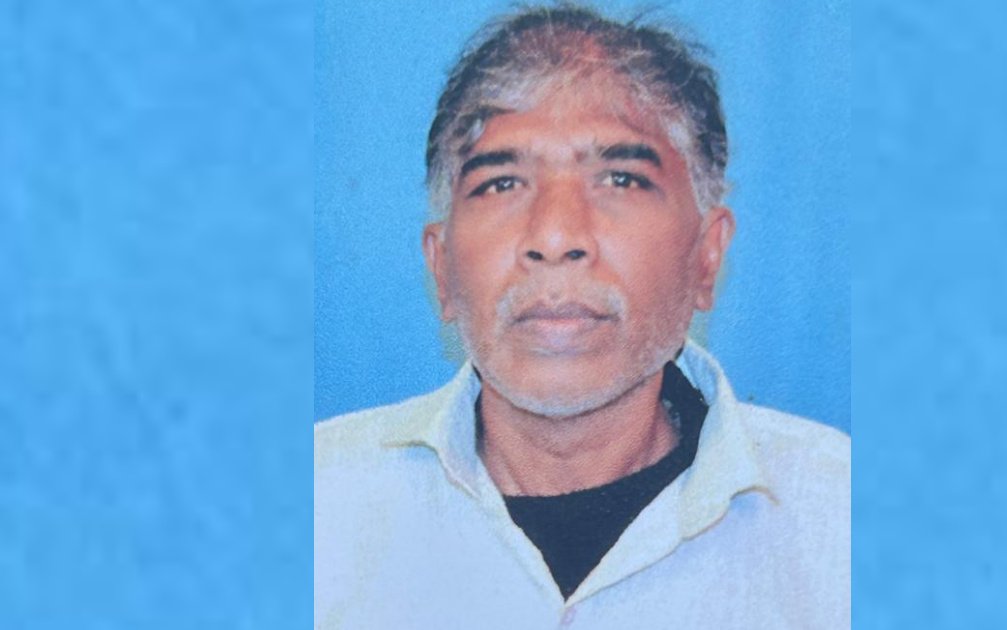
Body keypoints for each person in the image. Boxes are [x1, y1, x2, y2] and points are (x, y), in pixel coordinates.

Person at [315, 5, 848, 628]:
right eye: (502, 183)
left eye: (619, 179)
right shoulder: (314, 507)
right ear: (442, 269)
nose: (556, 236)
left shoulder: (844, 519)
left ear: (706, 257)